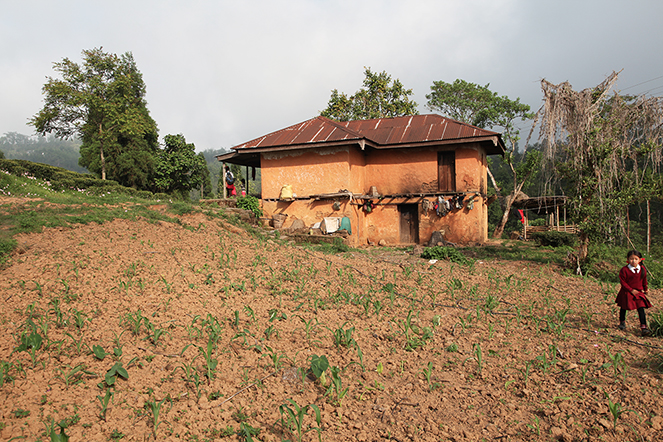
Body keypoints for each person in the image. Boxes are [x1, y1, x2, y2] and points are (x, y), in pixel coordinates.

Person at [615, 250, 652, 336]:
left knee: (641, 308)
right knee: (624, 307)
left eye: (636, 259)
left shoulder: (642, 269)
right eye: (631, 259)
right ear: (628, 259)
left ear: (640, 260)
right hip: (627, 292)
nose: (633, 261)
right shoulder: (624, 270)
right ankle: (622, 322)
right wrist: (631, 290)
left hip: (638, 292)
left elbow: (644, 280)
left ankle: (643, 327)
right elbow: (623, 282)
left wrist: (645, 289)